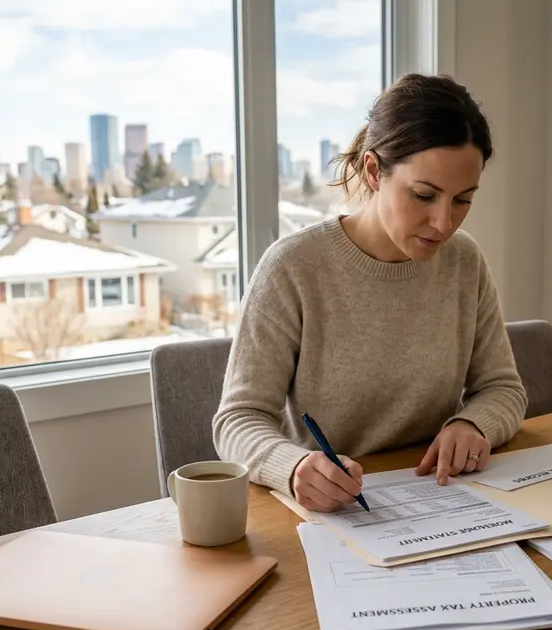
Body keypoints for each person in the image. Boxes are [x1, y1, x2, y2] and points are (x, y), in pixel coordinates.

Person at [211, 73, 527, 513]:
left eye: (462, 200)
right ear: (374, 170)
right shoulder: (293, 267)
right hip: (331, 513)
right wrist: (295, 466)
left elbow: (503, 388)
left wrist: (473, 423)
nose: (443, 222)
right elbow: (237, 420)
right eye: (423, 195)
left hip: (443, 500)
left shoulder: (464, 261)